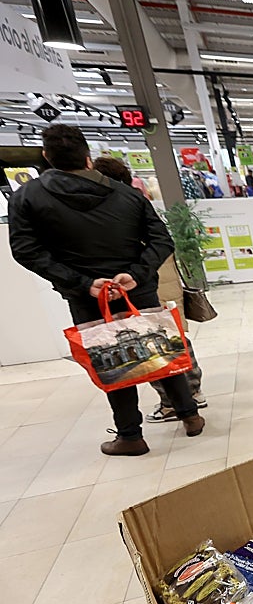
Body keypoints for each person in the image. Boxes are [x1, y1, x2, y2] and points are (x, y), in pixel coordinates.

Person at [8, 124, 204, 456]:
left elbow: (26, 250)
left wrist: (83, 283)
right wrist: (135, 275)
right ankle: (189, 414)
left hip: (87, 298)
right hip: (136, 289)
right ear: (87, 156)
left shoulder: (28, 196)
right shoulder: (128, 194)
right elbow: (161, 240)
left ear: (46, 156)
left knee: (111, 359)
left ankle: (130, 435)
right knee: (159, 348)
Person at [92, 156, 208, 424]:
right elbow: (161, 241)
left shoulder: (114, 207)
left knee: (148, 347)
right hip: (157, 280)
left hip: (141, 287)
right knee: (171, 340)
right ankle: (192, 393)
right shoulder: (137, 203)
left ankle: (175, 402)